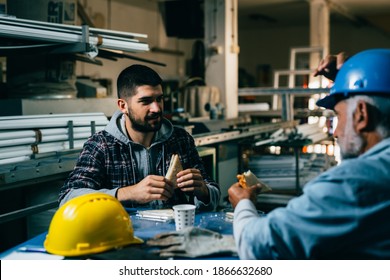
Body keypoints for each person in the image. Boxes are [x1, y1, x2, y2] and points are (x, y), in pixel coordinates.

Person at [228, 48, 390, 259]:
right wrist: (349, 77)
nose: (336, 133)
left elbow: (258, 247)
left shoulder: (355, 183)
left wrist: (243, 204)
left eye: (338, 117)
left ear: (361, 114)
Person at [59, 64, 220, 211]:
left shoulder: (180, 139)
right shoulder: (101, 145)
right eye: (146, 101)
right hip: (122, 234)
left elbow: (213, 192)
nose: (156, 108)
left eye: (159, 99)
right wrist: (127, 193)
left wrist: (204, 191)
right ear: (123, 106)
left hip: (174, 234)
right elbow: (67, 199)